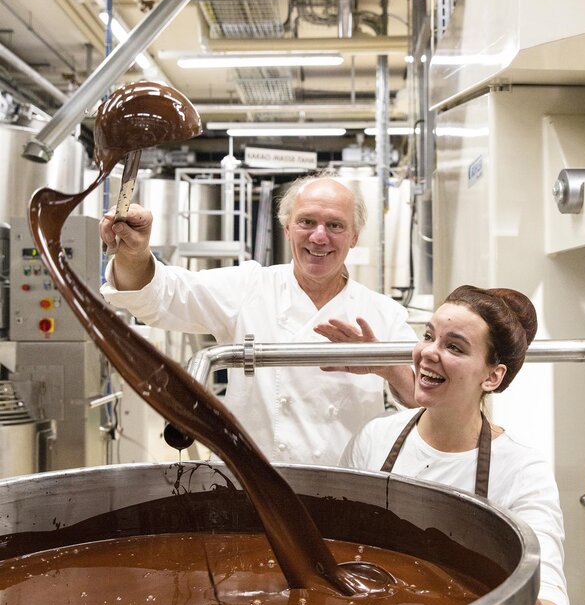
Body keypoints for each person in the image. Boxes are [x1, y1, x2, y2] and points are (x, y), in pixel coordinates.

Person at [340, 284, 569, 605]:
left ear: (492, 376)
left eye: (454, 347)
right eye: (428, 336)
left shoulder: (520, 468)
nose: (429, 353)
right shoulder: (374, 440)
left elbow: (549, 588)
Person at [100, 173, 417, 466]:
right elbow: (162, 296)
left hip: (348, 487)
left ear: (354, 236)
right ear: (287, 228)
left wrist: (386, 367)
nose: (319, 237)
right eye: (307, 222)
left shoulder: (383, 313)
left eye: (335, 225)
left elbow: (423, 400)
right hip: (252, 482)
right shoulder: (249, 288)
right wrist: (135, 255)